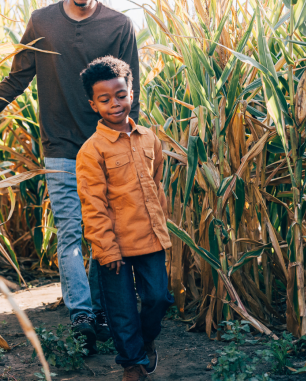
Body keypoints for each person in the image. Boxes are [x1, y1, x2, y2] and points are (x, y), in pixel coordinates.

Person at [0, 0, 140, 353]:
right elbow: (16, 80)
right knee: (70, 232)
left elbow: (130, 95)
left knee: (103, 233)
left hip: (107, 149)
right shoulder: (42, 23)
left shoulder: (119, 26)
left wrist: (134, 148)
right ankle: (83, 316)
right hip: (61, 149)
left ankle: (100, 305)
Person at [76, 56, 174, 381]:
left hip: (150, 239)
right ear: (93, 104)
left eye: (120, 95)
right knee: (121, 311)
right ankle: (131, 364)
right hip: (114, 246)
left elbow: (156, 185)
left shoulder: (150, 139)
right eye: (104, 99)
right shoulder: (92, 151)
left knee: (158, 298)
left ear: (131, 94)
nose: (114, 104)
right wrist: (106, 249)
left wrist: (162, 229)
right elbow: (93, 204)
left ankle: (146, 342)